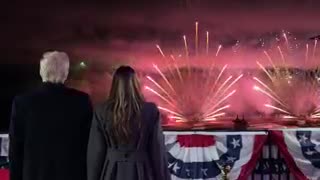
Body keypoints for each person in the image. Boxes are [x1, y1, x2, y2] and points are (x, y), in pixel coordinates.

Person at [9, 51, 93, 180]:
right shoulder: (82, 101)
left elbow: (15, 150)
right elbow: (89, 146)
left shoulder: (22, 103)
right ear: (65, 74)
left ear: (41, 72)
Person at [87, 66, 170, 180]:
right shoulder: (150, 110)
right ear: (135, 84)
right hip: (142, 172)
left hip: (111, 172)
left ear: (114, 85)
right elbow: (157, 151)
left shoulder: (101, 111)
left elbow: (96, 153)